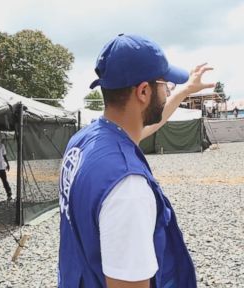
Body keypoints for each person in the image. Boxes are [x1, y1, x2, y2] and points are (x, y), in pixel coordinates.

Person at [58, 34, 214, 288]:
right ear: (143, 91)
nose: (168, 91)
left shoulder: (84, 140)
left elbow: (147, 126)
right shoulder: (128, 187)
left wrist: (186, 90)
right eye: (165, 84)